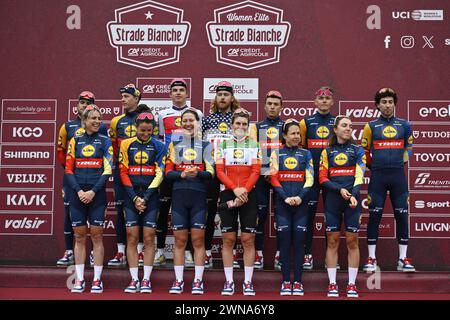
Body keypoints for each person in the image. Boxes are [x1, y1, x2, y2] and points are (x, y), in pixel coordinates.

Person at [362, 88, 415, 273]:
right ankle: (371, 258)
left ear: (394, 104)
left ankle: (402, 259)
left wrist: (401, 162)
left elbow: (409, 147)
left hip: (398, 177)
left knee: (401, 216)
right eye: (383, 102)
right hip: (378, 177)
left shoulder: (405, 125)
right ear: (377, 105)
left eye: (390, 102)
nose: (387, 105)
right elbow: (365, 152)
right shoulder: (370, 126)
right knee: (374, 216)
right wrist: (374, 167)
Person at [155, 79, 203, 267]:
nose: (178, 93)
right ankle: (159, 251)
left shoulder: (197, 113)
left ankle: (190, 253)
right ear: (170, 94)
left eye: (181, 90)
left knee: (191, 214)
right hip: (171, 167)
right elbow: (160, 140)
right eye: (174, 90)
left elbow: (200, 138)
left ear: (187, 93)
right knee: (163, 210)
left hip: (191, 167)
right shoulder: (162, 114)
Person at [65, 105, 113, 293]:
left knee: (97, 236)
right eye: (92, 118)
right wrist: (78, 191)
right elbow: (68, 169)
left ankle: (97, 280)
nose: (96, 121)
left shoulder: (105, 141)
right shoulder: (75, 140)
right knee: (79, 236)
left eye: (99, 119)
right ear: (84, 121)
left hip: (97, 195)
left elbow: (108, 169)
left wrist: (93, 191)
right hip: (77, 195)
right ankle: (79, 279)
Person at [166, 109, 214, 294]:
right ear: (181, 123)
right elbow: (168, 173)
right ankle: (178, 281)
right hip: (179, 197)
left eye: (191, 120)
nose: (188, 123)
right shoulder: (175, 145)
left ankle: (197, 281)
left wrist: (197, 173)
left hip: (198, 198)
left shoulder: (206, 145)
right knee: (179, 241)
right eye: (184, 121)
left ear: (197, 122)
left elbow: (211, 173)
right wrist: (182, 174)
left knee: (198, 240)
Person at [56, 91, 107, 267]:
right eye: (82, 102)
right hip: (73, 179)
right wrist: (74, 172)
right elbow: (61, 153)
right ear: (77, 105)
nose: (84, 105)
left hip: (93, 179)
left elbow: (105, 156)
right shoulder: (67, 126)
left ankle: (93, 253)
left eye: (89, 102)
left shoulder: (100, 127)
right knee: (69, 214)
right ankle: (69, 251)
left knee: (95, 223)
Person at [319, 116, 366, 298]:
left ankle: (352, 284)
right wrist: (339, 190)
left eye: (350, 126)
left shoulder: (357, 150)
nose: (348, 129)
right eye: (344, 126)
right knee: (332, 241)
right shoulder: (327, 151)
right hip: (333, 200)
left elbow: (360, 174)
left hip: (352, 200)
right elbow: (322, 178)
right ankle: (332, 284)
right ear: (335, 129)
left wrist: (353, 194)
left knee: (352, 241)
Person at [215, 108, 261, 296]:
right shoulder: (222, 144)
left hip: (249, 195)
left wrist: (244, 191)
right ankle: (229, 281)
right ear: (232, 125)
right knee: (229, 239)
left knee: (248, 240)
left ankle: (248, 282)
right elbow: (219, 172)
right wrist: (235, 189)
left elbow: (256, 171)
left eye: (244, 124)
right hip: (228, 193)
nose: (240, 127)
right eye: (237, 124)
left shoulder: (255, 144)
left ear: (248, 126)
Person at [119, 112, 166, 293]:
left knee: (148, 238)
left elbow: (160, 173)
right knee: (131, 237)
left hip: (150, 197)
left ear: (154, 129)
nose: (145, 133)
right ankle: (133, 279)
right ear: (136, 128)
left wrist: (145, 198)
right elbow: (123, 172)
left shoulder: (159, 145)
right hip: (131, 196)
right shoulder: (126, 144)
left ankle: (146, 279)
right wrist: (134, 198)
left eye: (149, 130)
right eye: (142, 130)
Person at [270, 119, 313, 296]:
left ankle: (299, 282)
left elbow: (310, 178)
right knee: (285, 242)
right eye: (293, 133)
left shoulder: (306, 154)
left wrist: (300, 197)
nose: (296, 136)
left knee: (299, 243)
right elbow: (273, 178)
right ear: (285, 136)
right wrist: (286, 198)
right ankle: (286, 281)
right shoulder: (275, 153)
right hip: (283, 204)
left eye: (298, 133)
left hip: (301, 205)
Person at [202, 81, 240, 269]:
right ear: (215, 98)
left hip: (231, 171)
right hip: (210, 172)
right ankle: (207, 253)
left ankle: (232, 254)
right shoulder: (207, 120)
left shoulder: (239, 118)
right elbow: (201, 146)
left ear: (232, 97)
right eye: (220, 94)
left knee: (231, 211)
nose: (223, 97)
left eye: (226, 94)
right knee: (209, 213)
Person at [299, 86, 336, 270]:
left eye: (327, 98)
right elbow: (302, 148)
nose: (323, 101)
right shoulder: (306, 123)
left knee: (332, 217)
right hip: (311, 177)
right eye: (320, 98)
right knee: (308, 216)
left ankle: (332, 259)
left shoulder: (338, 122)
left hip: (332, 177)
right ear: (315, 102)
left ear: (332, 102)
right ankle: (307, 255)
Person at [108, 84, 145, 268]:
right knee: (121, 210)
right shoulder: (116, 121)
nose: (123, 99)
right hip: (121, 169)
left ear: (136, 98)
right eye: (122, 96)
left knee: (141, 209)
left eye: (127, 96)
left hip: (142, 171)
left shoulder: (146, 119)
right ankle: (120, 250)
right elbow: (114, 147)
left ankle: (139, 251)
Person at [249, 90, 285, 270]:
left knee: (282, 217)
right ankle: (259, 254)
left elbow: (290, 152)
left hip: (280, 177)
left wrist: (275, 170)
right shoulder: (257, 126)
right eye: (269, 104)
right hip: (261, 177)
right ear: (264, 106)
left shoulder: (286, 126)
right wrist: (263, 170)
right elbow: (253, 151)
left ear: (281, 107)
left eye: (275, 104)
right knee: (260, 216)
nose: (272, 107)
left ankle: (280, 255)